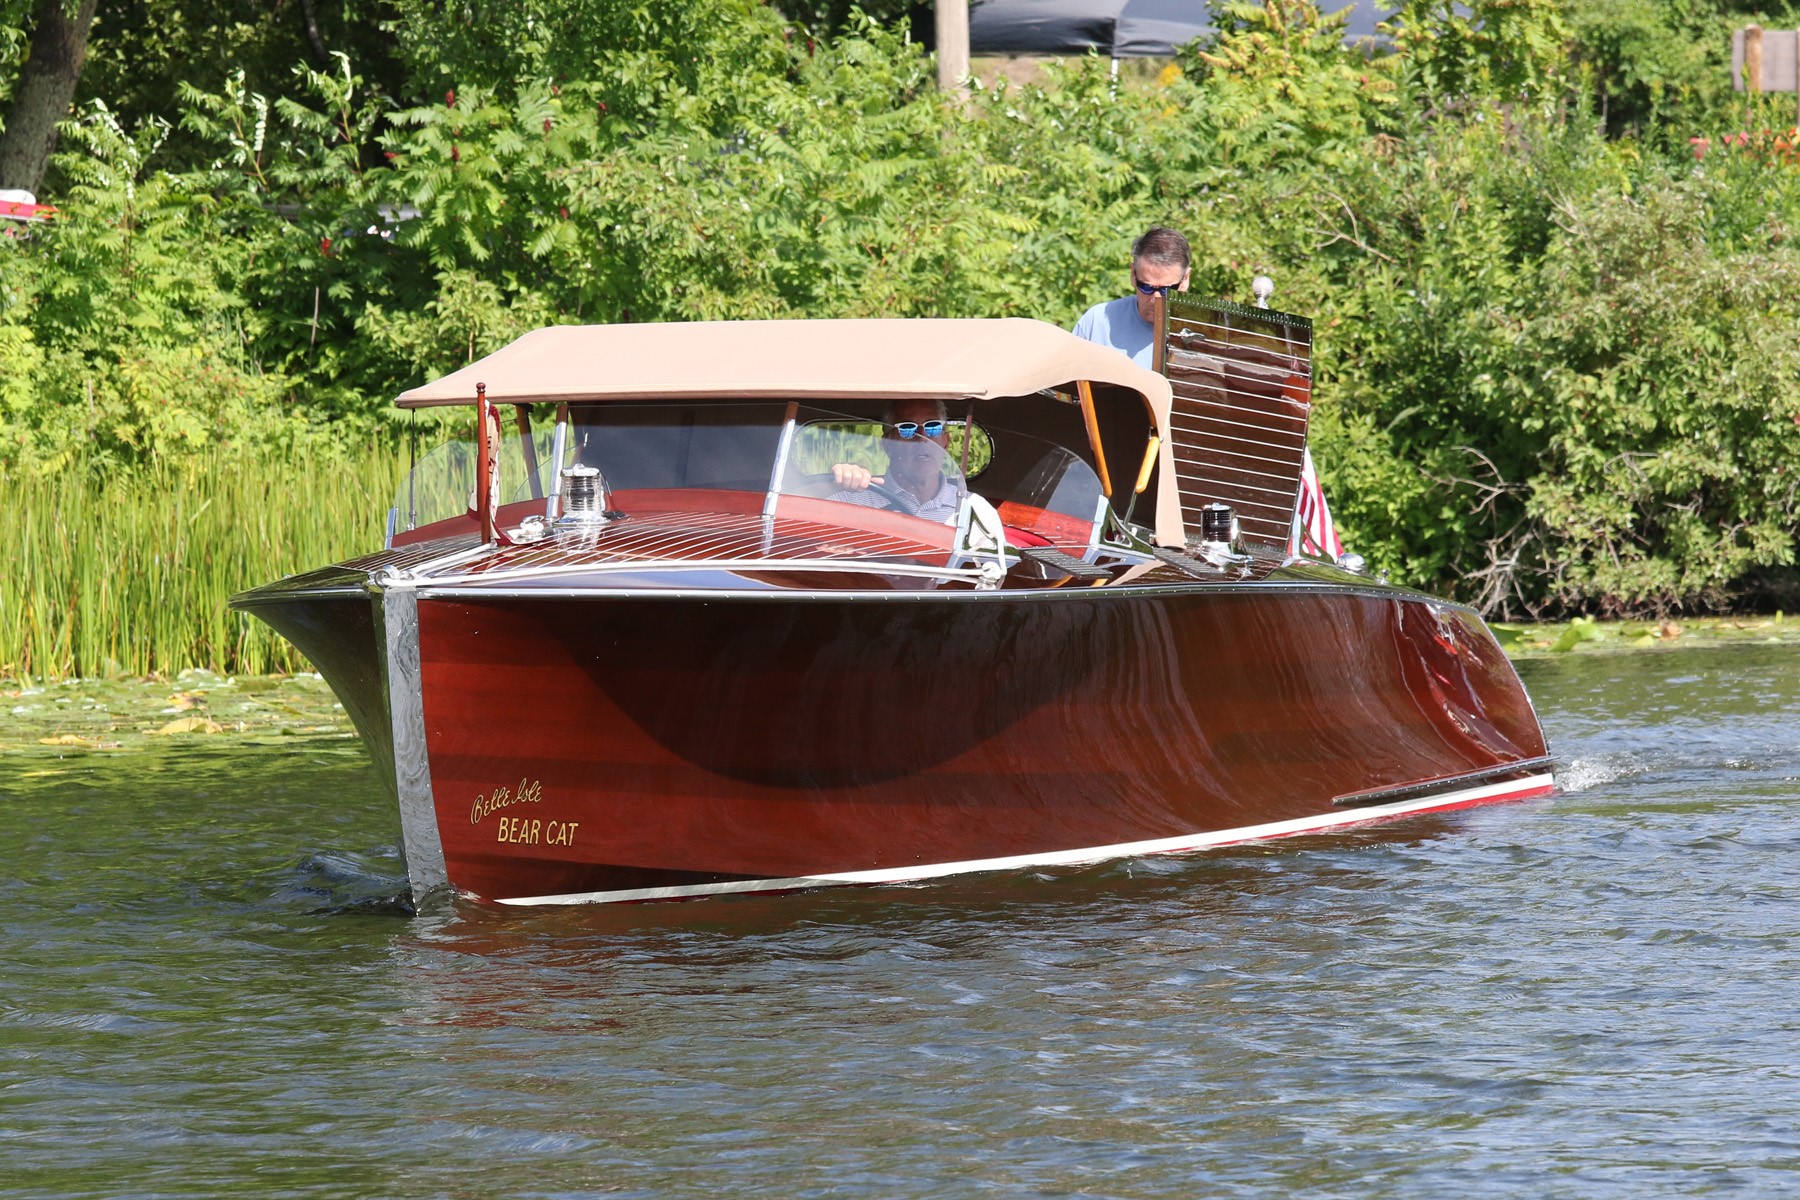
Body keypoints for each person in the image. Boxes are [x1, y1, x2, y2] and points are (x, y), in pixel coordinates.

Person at [1070, 226, 1192, 370]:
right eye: (1146, 287)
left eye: (1166, 290)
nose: (1155, 299)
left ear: (1185, 280)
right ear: (1133, 274)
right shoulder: (1096, 323)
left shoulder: (1206, 332)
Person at [829, 398, 963, 524]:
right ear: (888, 444)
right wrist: (841, 479)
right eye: (907, 429)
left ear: (946, 442)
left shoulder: (969, 508)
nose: (922, 438)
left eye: (933, 427)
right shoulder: (847, 504)